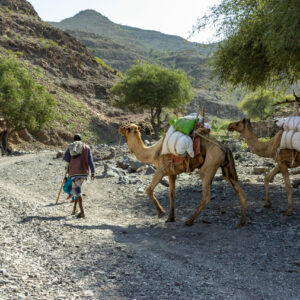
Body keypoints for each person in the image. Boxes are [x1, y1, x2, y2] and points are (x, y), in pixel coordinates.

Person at [63, 134, 95, 218]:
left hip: (74, 173)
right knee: (77, 190)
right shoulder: (87, 147)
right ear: (81, 139)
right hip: (84, 172)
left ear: (74, 140)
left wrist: (66, 170)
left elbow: (66, 159)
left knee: (77, 192)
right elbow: (90, 161)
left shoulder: (71, 146)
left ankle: (82, 212)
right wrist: (93, 172)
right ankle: (74, 209)